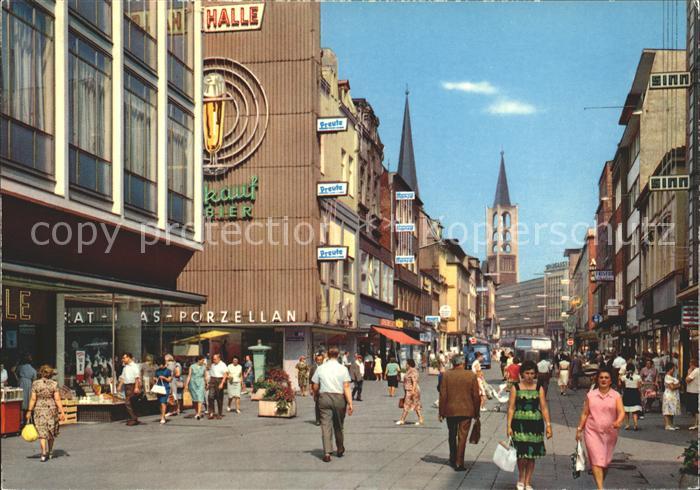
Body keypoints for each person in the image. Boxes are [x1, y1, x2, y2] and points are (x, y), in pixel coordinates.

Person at [576, 368, 625, 490]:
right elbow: (585, 413)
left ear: (610, 381)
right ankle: (600, 488)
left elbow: (622, 412)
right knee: (596, 458)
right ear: (597, 380)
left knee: (605, 462)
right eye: (601, 377)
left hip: (610, 433)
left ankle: (600, 483)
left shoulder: (616, 396)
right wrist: (579, 429)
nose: (603, 380)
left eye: (606, 378)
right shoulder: (591, 395)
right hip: (592, 431)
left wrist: (618, 422)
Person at [507, 360, 552, 490]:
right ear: (521, 374)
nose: (529, 376)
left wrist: (548, 425)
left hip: (535, 424)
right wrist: (508, 426)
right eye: (527, 373)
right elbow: (511, 408)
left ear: (535, 375)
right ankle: (521, 477)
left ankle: (528, 481)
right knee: (521, 454)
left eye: (532, 373)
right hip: (519, 423)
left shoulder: (539, 388)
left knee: (532, 455)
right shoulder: (515, 388)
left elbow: (544, 407)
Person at [438, 355, 481, 471]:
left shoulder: (446, 375)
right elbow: (476, 395)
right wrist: (477, 412)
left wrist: (441, 412)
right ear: (463, 363)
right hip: (466, 411)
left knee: (452, 435)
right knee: (462, 437)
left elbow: (443, 395)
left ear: (453, 363)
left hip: (450, 410)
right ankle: (459, 462)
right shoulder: (471, 375)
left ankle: (452, 458)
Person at [311, 347, 353, 463]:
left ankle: (327, 453)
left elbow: (315, 385)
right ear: (338, 355)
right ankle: (340, 448)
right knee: (339, 425)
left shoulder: (321, 368)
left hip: (324, 398)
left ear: (327, 356)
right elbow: (346, 387)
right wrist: (350, 403)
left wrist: (315, 395)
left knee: (325, 425)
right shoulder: (343, 369)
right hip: (339, 398)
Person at [25, 365, 66, 462]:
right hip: (51, 409)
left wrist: (29, 411)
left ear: (41, 373)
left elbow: (33, 399)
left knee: (42, 432)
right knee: (50, 432)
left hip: (39, 409)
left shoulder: (35, 384)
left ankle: (43, 453)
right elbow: (57, 399)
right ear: (51, 374)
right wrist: (62, 411)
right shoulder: (54, 384)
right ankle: (50, 452)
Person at [116, 352, 142, 426]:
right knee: (131, 402)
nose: (122, 359)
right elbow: (123, 378)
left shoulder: (135, 366)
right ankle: (133, 418)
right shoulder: (125, 368)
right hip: (127, 386)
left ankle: (133, 418)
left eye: (124, 358)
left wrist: (136, 387)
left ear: (129, 358)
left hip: (133, 385)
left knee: (127, 402)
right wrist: (119, 386)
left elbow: (137, 377)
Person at [396, 359, 423, 425]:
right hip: (409, 390)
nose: (406, 365)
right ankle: (420, 419)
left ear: (409, 364)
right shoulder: (409, 371)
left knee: (407, 404)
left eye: (406, 364)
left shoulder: (413, 371)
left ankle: (402, 420)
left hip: (412, 390)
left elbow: (414, 381)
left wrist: (413, 391)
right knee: (416, 404)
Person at [620, 362, 642, 431]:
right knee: (634, 410)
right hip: (635, 393)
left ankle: (627, 425)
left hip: (627, 393)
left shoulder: (624, 377)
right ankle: (635, 424)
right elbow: (639, 386)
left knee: (626, 410)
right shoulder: (638, 377)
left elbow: (620, 384)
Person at [185, 355, 207, 420]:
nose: (203, 362)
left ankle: (199, 413)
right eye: (202, 360)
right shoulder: (192, 366)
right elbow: (189, 375)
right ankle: (197, 412)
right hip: (193, 383)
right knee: (194, 398)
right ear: (199, 360)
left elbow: (205, 376)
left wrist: (206, 383)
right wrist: (186, 385)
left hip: (201, 382)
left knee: (200, 397)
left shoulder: (204, 367)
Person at [16, 354, 37, 421]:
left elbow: (16, 372)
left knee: (21, 400)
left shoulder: (20, 367)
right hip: (29, 384)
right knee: (28, 399)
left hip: (21, 383)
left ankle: (21, 420)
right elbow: (34, 379)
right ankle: (28, 419)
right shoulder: (33, 370)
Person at [207, 353, 228, 419]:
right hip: (212, 380)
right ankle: (211, 412)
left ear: (219, 359)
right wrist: (207, 383)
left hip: (219, 380)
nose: (214, 360)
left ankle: (219, 413)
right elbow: (208, 372)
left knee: (219, 398)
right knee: (210, 396)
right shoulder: (212, 365)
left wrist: (222, 383)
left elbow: (225, 375)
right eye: (213, 359)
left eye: (215, 359)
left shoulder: (223, 364)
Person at [662, 362, 681, 430]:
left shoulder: (672, 377)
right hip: (669, 395)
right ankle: (667, 425)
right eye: (673, 368)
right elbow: (672, 387)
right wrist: (678, 385)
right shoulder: (667, 377)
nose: (674, 370)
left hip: (673, 395)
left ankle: (671, 424)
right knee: (668, 409)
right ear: (670, 369)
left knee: (672, 410)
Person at [154, 357, 172, 425]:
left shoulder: (168, 371)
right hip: (159, 388)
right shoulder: (157, 371)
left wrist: (164, 378)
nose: (160, 366)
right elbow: (155, 377)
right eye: (158, 365)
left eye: (160, 364)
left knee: (163, 402)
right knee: (160, 403)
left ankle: (162, 417)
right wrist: (155, 379)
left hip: (165, 387)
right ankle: (163, 415)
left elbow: (170, 380)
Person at [310, 354, 325, 425]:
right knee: (317, 405)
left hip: (324, 388)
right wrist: (311, 389)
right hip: (316, 389)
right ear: (316, 360)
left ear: (323, 360)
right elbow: (310, 379)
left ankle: (323, 419)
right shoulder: (313, 368)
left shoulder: (325, 367)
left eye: (320, 360)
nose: (319, 361)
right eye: (318, 360)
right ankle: (318, 420)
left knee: (324, 405)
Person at [685, 358, 699, 430]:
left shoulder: (695, 371)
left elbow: (687, 380)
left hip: (693, 391)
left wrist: (689, 372)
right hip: (696, 391)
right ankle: (696, 423)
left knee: (695, 409)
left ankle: (696, 424)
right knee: (696, 409)